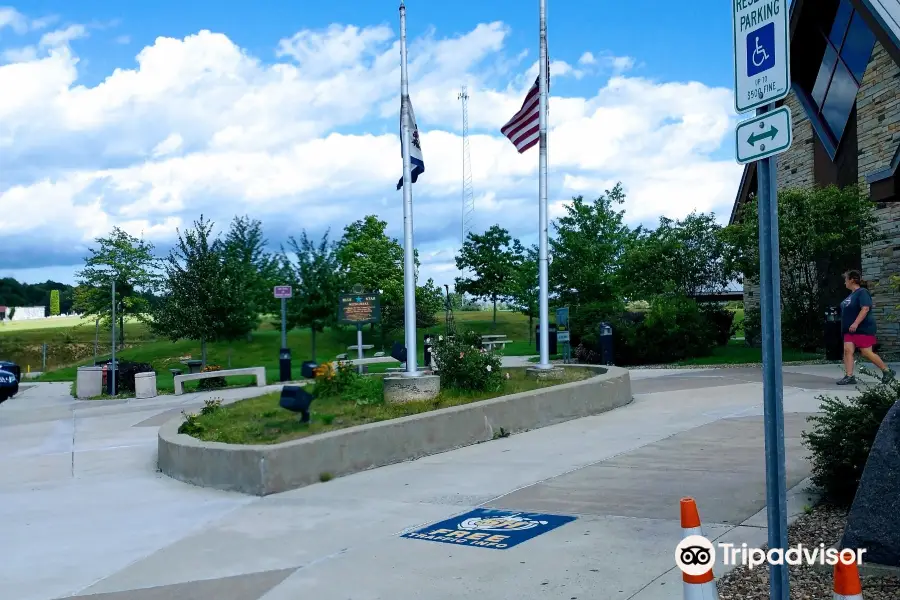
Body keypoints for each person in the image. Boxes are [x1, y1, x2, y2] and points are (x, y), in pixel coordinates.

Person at [837, 270, 895, 385]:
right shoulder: (851, 295)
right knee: (847, 351)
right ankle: (849, 376)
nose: (845, 282)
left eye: (846, 279)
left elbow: (865, 308)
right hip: (849, 330)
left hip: (863, 328)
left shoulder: (862, 292)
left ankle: (887, 371)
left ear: (852, 280)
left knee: (866, 352)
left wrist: (856, 323)